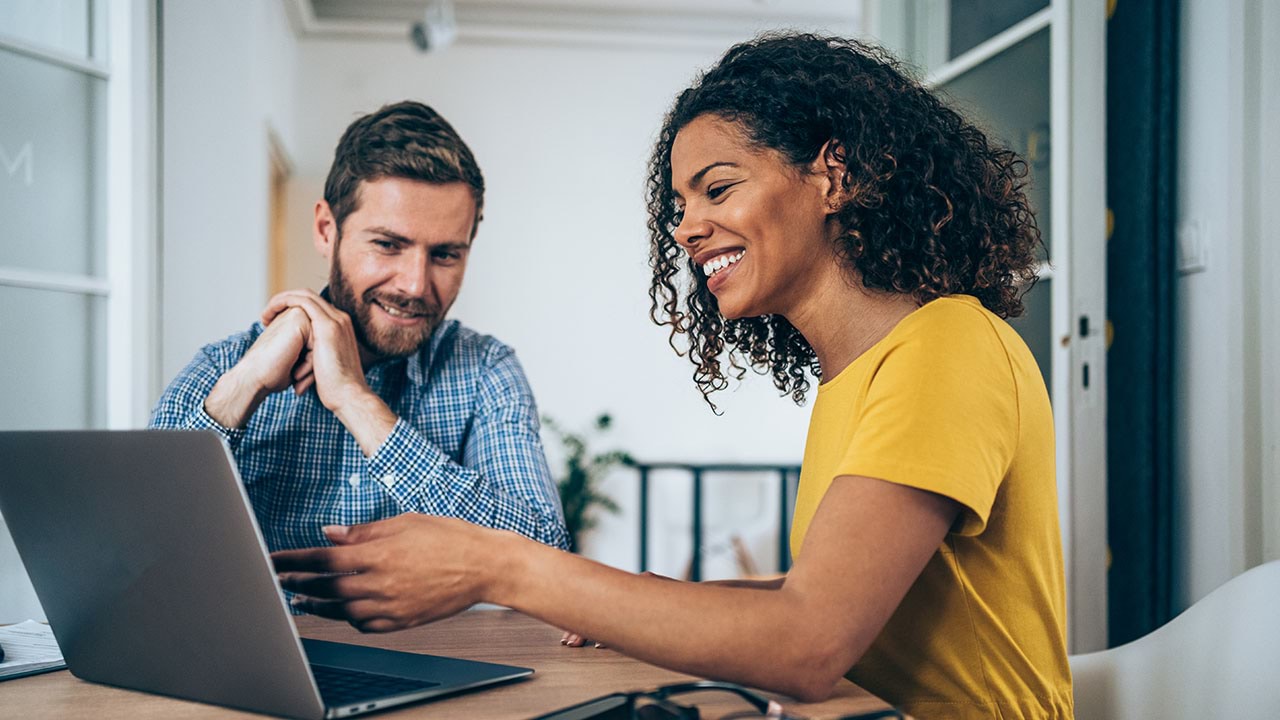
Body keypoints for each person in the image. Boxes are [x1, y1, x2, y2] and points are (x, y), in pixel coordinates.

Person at [272, 35, 1072, 718]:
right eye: (678, 206)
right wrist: (647, 601)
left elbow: (810, 643)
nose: (686, 227)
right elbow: (847, 603)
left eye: (716, 188)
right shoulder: (858, 376)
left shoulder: (945, 349)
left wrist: (496, 563)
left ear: (835, 176)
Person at [150, 101, 569, 560]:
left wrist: (356, 400)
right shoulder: (224, 367)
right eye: (388, 245)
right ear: (327, 230)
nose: (415, 284)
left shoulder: (486, 370)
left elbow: (545, 557)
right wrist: (241, 389)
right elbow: (140, 543)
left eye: (445, 255)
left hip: (431, 638)